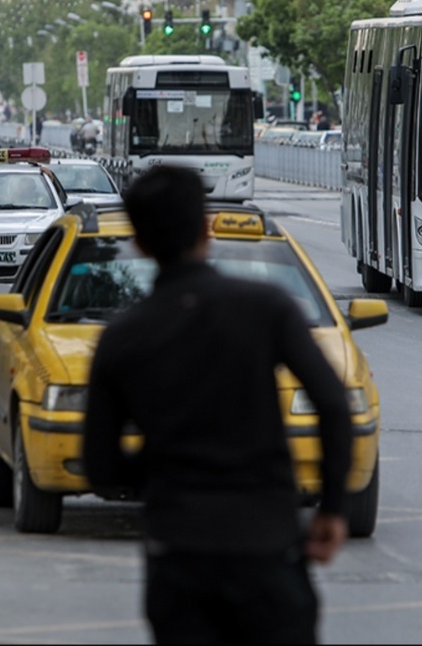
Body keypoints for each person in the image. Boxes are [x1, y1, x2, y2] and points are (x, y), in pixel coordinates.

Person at [83, 164, 353, 645]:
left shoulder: (124, 337)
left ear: (139, 243)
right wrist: (331, 508)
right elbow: (333, 403)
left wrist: (164, 471)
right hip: (267, 548)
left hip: (179, 556)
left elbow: (99, 465)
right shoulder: (266, 307)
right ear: (205, 230)